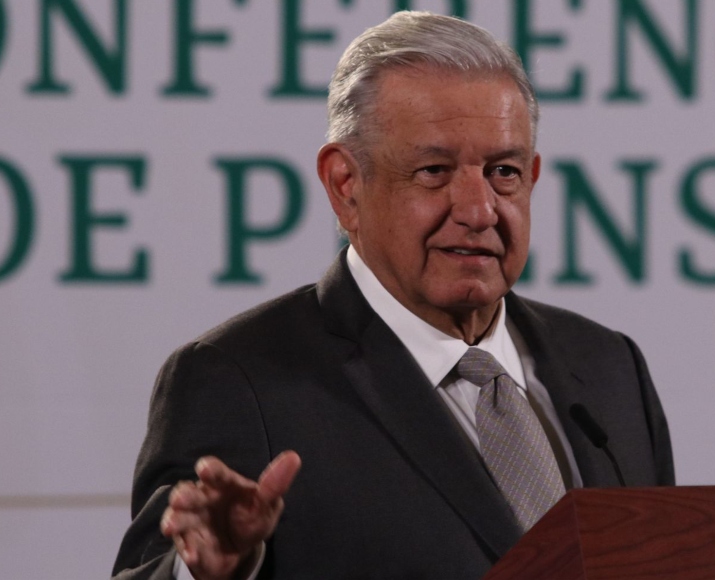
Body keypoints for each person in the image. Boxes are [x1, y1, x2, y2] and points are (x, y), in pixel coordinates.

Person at [112, 11, 673, 580]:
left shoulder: (608, 367)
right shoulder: (241, 379)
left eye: (503, 171)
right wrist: (207, 570)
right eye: (433, 170)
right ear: (345, 186)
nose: (478, 210)